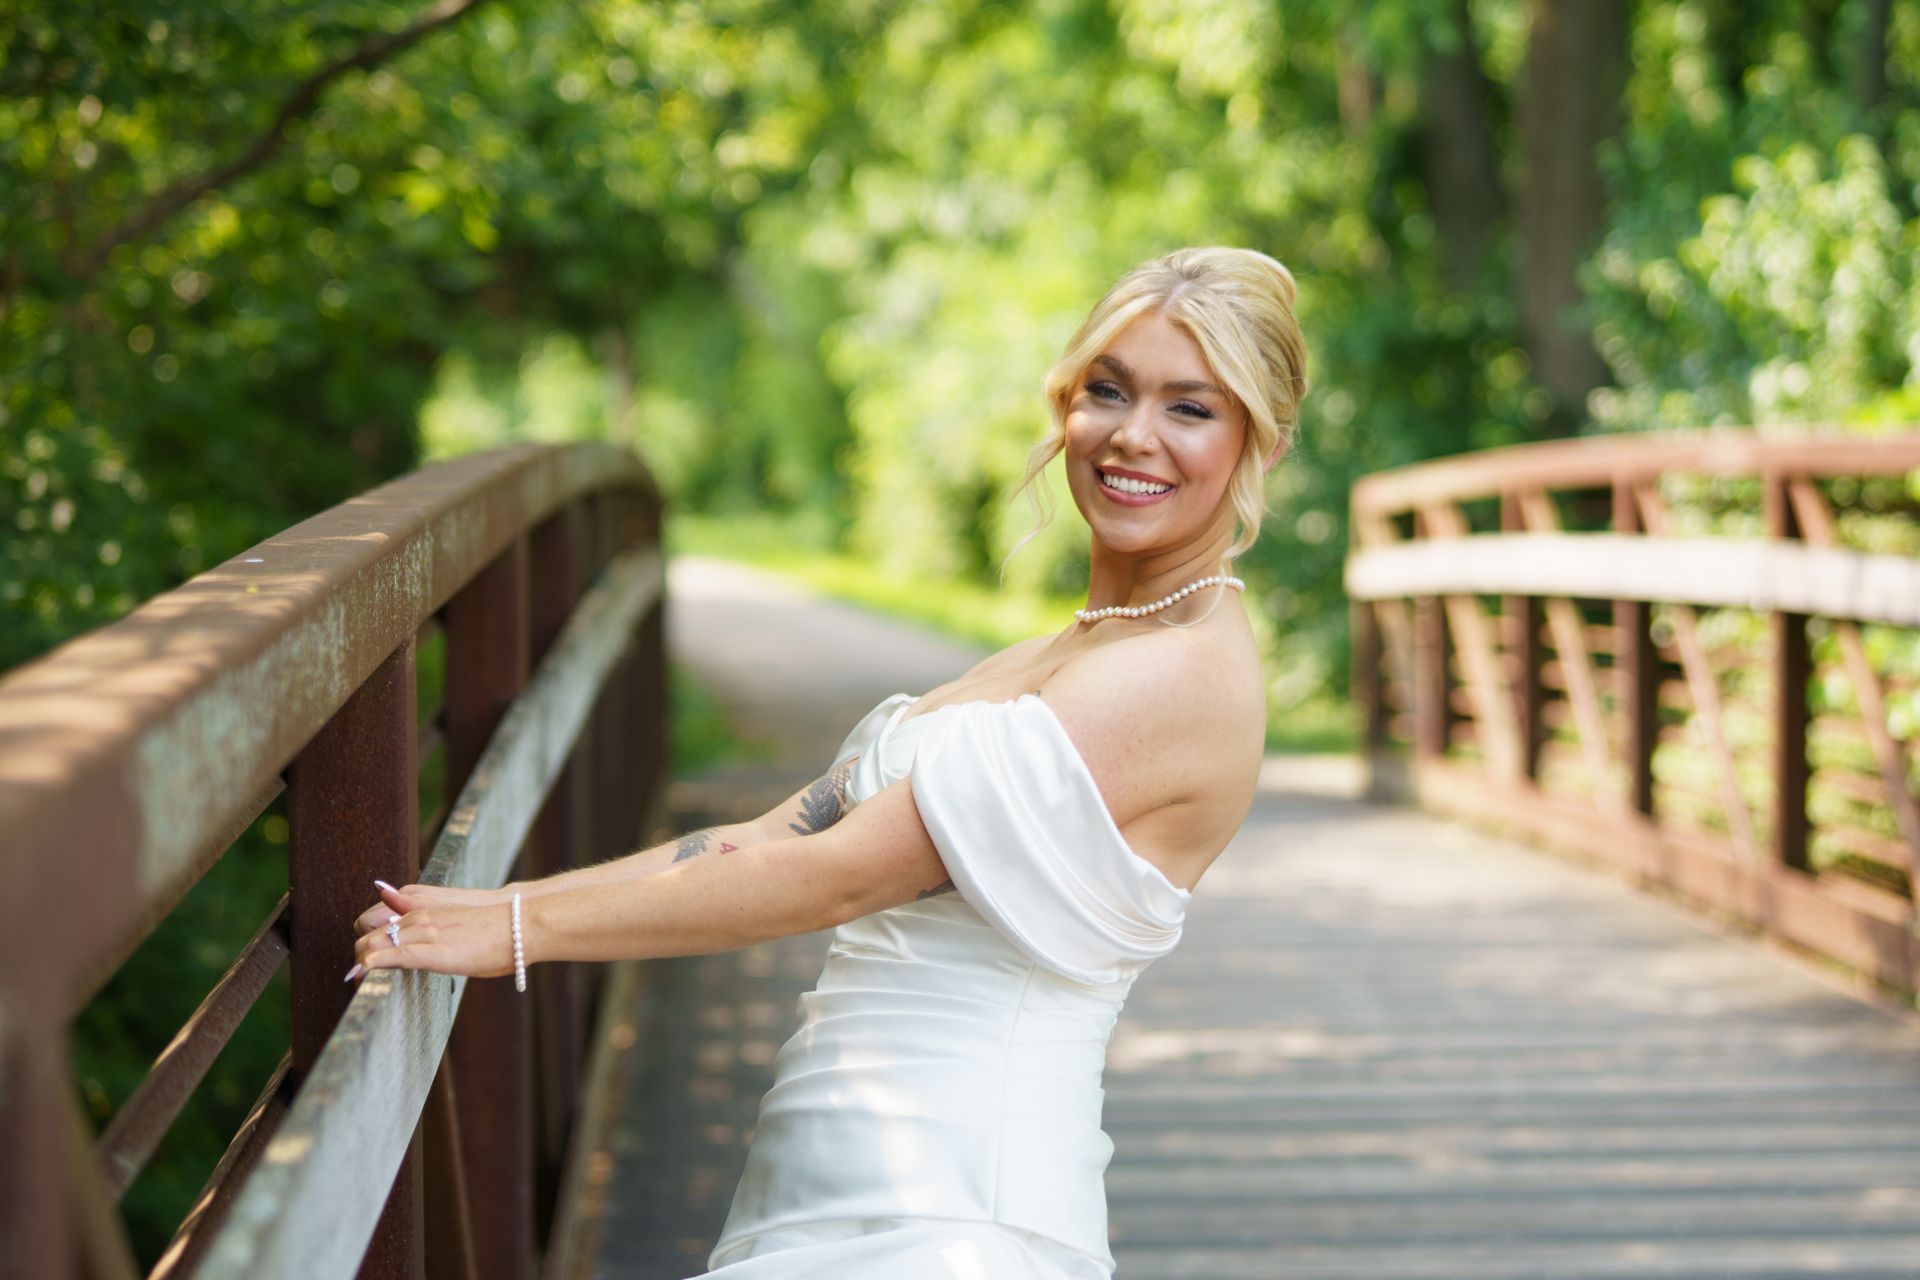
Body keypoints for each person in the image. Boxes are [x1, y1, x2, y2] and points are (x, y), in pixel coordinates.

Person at [349, 244, 1309, 1277]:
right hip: (836, 1170)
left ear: (1265, 440)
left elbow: (835, 873)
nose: (1132, 435)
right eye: (1108, 391)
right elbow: (768, 836)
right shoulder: (1060, 653)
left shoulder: (1172, 674)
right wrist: (497, 901)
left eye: (1190, 408)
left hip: (952, 1209)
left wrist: (511, 931)